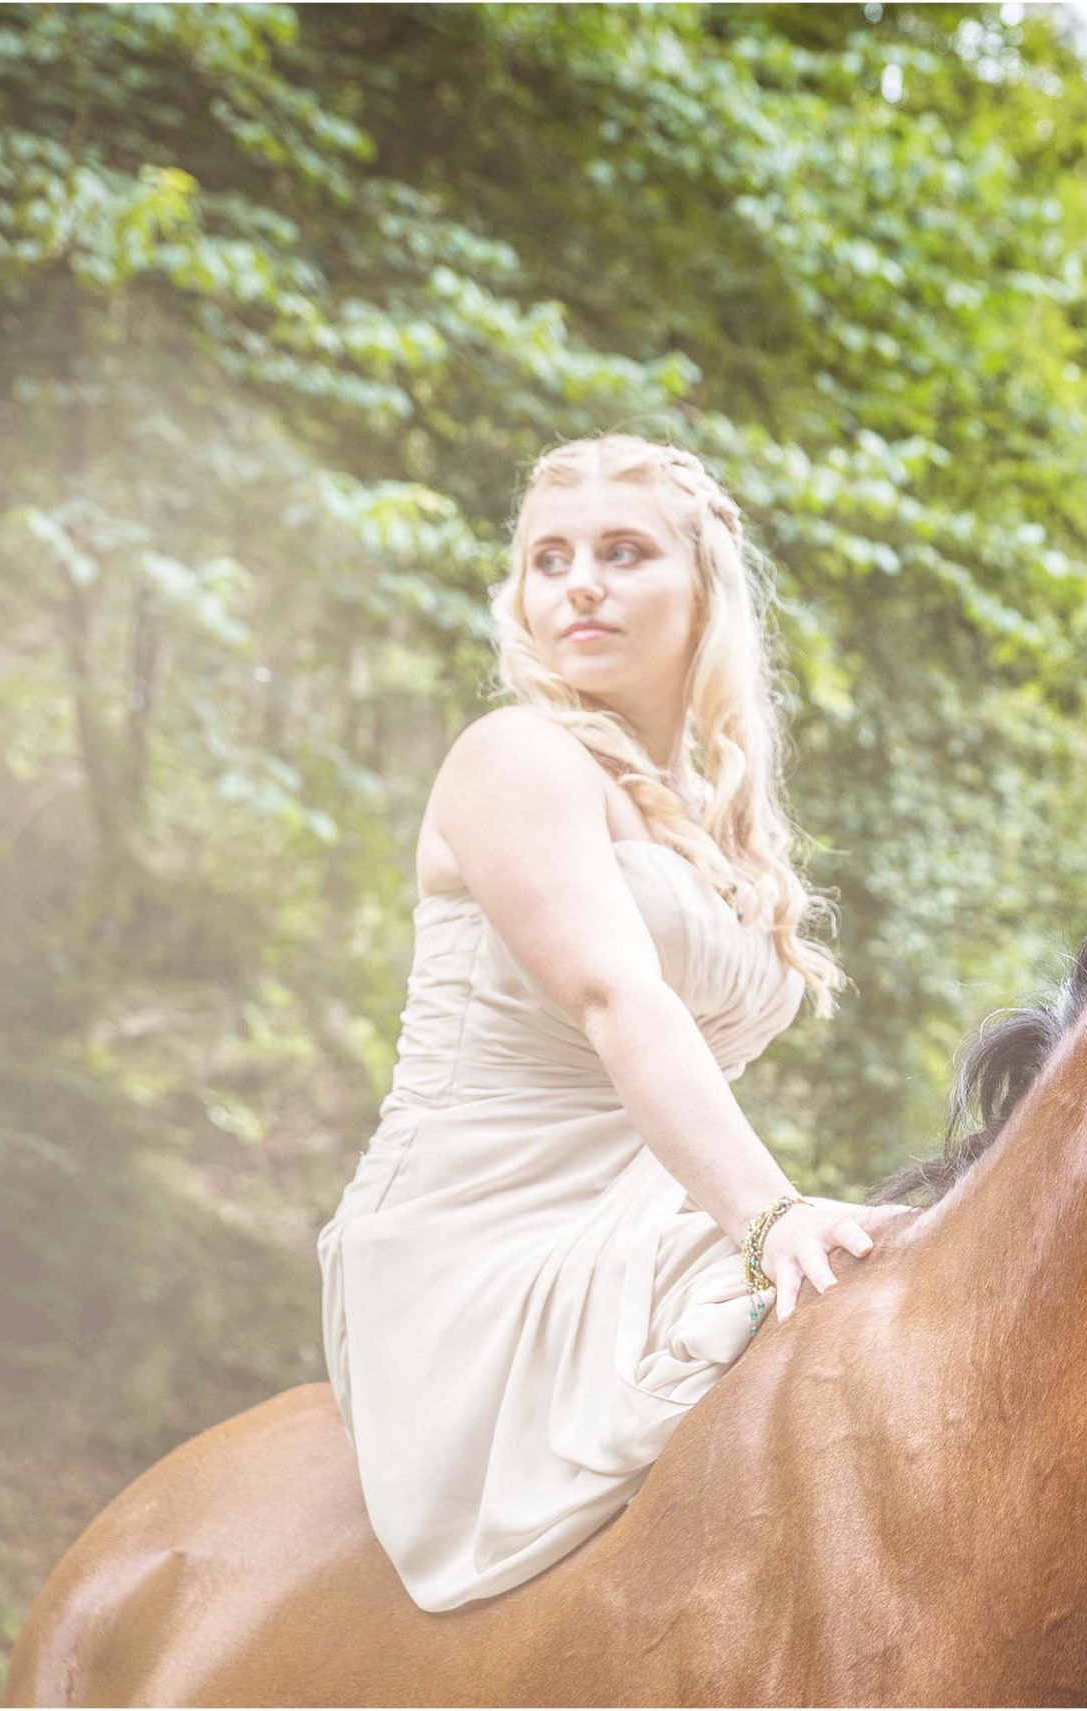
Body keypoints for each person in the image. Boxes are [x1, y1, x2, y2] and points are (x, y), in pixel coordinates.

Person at [315, 433, 914, 1613]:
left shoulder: (717, 818)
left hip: (642, 1214)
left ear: (703, 593)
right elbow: (615, 999)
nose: (577, 583)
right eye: (549, 558)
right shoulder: (514, 758)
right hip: (482, 1229)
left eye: (623, 552)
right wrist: (769, 1216)